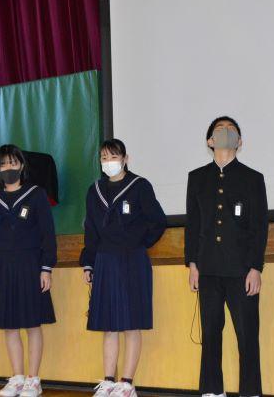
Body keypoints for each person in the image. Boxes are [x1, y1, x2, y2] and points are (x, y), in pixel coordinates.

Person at [185, 116, 268, 397]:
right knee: (210, 332)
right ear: (210, 141)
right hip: (208, 268)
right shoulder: (197, 178)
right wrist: (193, 264)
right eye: (220, 130)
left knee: (247, 334)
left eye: (231, 130)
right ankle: (211, 390)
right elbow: (193, 224)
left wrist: (256, 267)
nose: (225, 133)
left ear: (239, 141)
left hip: (242, 270)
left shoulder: (253, 178)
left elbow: (259, 227)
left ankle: (250, 391)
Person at [80, 138, 166, 397]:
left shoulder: (139, 186)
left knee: (131, 324)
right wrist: (89, 263)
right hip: (104, 260)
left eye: (114, 157)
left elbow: (158, 221)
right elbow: (91, 230)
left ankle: (126, 383)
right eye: (104, 158)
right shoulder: (94, 190)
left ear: (125, 159)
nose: (109, 162)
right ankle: (108, 380)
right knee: (108, 325)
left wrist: (138, 243)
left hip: (132, 260)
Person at [0, 144, 57, 397]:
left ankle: (33, 380)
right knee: (9, 325)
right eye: (4, 164)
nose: (8, 168)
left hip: (30, 265)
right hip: (0, 266)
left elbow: (48, 235)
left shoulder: (36, 194)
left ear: (21, 166)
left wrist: (46, 268)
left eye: (13, 163)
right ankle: (17, 377)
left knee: (32, 324)